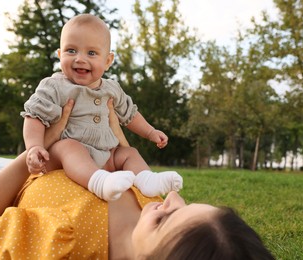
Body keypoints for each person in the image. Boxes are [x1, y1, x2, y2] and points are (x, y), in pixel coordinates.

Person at [0, 101, 274, 259]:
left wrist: (34, 153)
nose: (172, 199)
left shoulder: (62, 242)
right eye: (186, 204)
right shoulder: (150, 204)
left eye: (165, 220)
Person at [20, 13, 182, 201]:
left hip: (106, 155)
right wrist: (34, 147)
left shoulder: (112, 89)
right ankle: (98, 183)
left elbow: (130, 114)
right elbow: (34, 116)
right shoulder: (54, 86)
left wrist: (150, 132)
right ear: (59, 54)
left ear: (107, 61)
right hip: (65, 157)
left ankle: (146, 179)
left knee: (128, 153)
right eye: (71, 51)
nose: (80, 59)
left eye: (91, 53)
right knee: (69, 147)